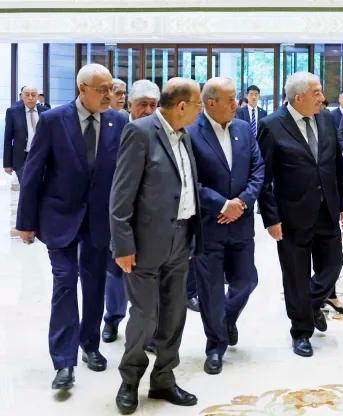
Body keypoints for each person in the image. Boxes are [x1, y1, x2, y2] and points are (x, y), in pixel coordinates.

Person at [15, 64, 128, 390]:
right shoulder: (54, 120)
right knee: (65, 282)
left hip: (99, 220)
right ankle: (64, 362)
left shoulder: (118, 121)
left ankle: (90, 345)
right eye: (102, 89)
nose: (108, 95)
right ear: (82, 89)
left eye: (110, 88)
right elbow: (33, 172)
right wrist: (26, 223)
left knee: (94, 284)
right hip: (60, 216)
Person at [110, 78, 203, 414]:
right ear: (182, 106)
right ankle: (130, 381)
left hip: (181, 239)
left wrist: (191, 235)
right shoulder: (140, 132)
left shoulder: (184, 134)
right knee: (145, 316)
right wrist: (122, 245)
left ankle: (164, 378)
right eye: (198, 104)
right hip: (144, 243)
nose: (200, 110)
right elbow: (121, 195)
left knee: (175, 314)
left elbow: (185, 185)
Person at [257, 71, 343, 358]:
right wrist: (271, 219)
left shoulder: (327, 119)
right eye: (317, 92)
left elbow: (337, 165)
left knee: (333, 265)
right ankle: (301, 332)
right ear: (299, 98)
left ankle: (309, 305)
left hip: (327, 209)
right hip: (291, 216)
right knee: (296, 276)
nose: (323, 98)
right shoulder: (272, 126)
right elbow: (263, 178)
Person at [187, 77, 264, 375]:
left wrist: (241, 203)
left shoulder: (243, 129)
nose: (237, 103)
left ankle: (227, 319)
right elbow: (190, 181)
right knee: (210, 291)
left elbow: (258, 169)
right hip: (209, 225)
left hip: (241, 223)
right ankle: (215, 347)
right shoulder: (191, 132)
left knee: (247, 280)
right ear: (211, 103)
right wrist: (222, 204)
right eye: (230, 99)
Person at [102, 79, 161, 344]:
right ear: (130, 105)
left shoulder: (161, 130)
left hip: (151, 216)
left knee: (148, 277)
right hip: (118, 212)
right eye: (142, 104)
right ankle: (112, 319)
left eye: (153, 105)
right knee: (116, 273)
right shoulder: (113, 126)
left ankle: (146, 331)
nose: (147, 110)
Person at [3, 85, 49, 182]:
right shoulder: (12, 112)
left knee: (43, 186)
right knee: (26, 187)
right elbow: (8, 139)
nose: (30, 98)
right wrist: (7, 164)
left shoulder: (46, 111)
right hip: (21, 159)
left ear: (37, 97)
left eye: (33, 95)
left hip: (42, 156)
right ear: (22, 96)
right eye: (27, 95)